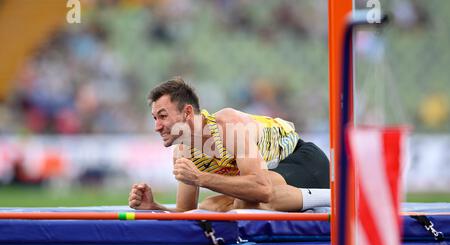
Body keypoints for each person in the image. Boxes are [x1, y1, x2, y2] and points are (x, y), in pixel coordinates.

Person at [128, 77, 330, 212]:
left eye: (162, 116)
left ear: (187, 112)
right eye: (155, 118)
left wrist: (201, 178)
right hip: (273, 173)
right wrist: (154, 206)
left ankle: (334, 198)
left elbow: (262, 189)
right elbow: (187, 213)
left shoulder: (228, 125)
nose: (157, 126)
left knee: (247, 201)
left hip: (303, 161)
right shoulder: (182, 152)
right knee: (209, 207)